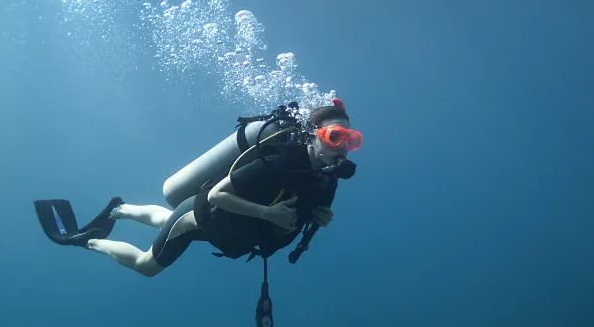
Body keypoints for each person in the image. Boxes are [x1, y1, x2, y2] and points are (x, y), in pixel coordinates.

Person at [33, 99, 362, 279]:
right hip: (203, 214)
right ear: (313, 135)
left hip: (227, 228)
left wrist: (317, 215)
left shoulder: (324, 178)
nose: (343, 147)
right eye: (336, 137)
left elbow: (293, 210)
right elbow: (218, 194)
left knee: (166, 221)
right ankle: (88, 240)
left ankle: (118, 209)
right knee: (147, 266)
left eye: (351, 140)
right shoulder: (278, 162)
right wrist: (268, 213)